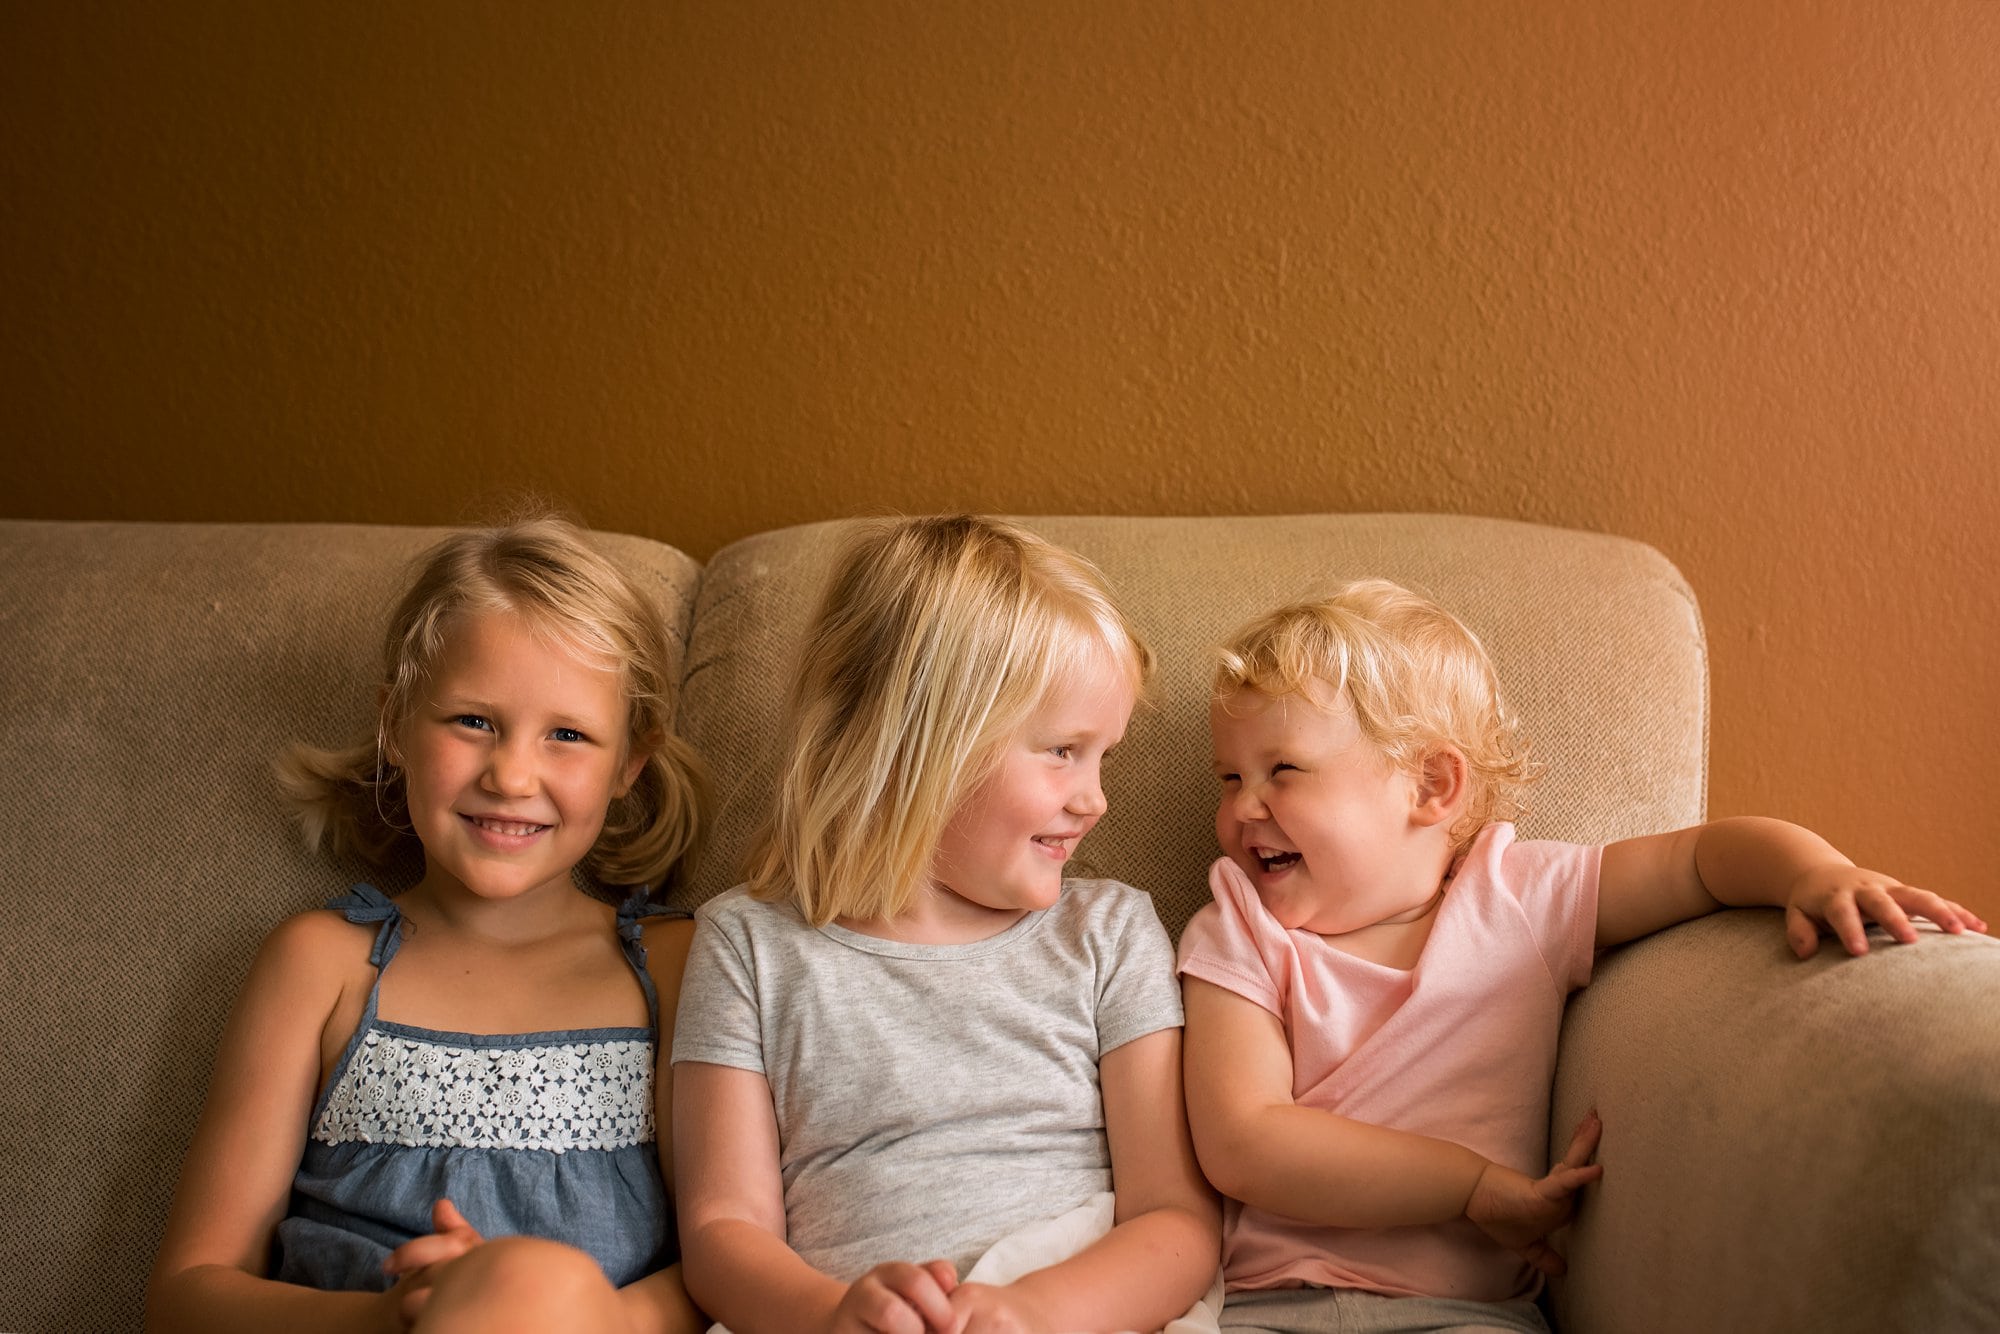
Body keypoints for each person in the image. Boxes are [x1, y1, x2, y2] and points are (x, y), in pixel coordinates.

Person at [1178, 578, 1986, 1334]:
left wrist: (1814, 873)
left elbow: (1698, 862)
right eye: (1228, 777)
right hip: (1267, 1306)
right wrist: (1471, 1187)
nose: (1242, 807)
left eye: (1281, 771)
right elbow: (1244, 1140)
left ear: (1431, 786)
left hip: (1459, 1314)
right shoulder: (1239, 928)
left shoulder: (1521, 898)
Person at [147, 516, 711, 1334]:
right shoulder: (322, 966)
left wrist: (549, 1316)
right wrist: (395, 1319)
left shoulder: (674, 965)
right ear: (397, 727)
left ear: (630, 763)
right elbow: (189, 1294)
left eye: (568, 736)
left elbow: (727, 1260)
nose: (513, 774)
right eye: (473, 721)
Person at [672, 515, 1222, 1334]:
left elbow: (1177, 1223)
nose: (1094, 797)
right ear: (919, 744)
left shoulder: (1108, 933)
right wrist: (831, 1315)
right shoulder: (747, 944)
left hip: (1076, 1312)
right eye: (1063, 751)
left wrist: (1035, 1314)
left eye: (1103, 756)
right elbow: (723, 1232)